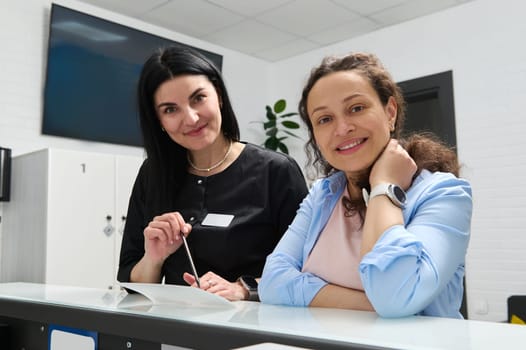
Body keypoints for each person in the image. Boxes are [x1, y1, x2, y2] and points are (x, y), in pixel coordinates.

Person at [258, 52, 472, 318]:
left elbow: (395, 297)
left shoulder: (444, 193)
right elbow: (273, 283)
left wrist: (385, 186)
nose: (342, 128)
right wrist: (373, 306)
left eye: (356, 108)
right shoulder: (323, 195)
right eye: (325, 119)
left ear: (390, 112)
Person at [117, 46, 308, 301]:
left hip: (254, 331)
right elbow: (131, 283)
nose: (191, 118)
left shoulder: (276, 171)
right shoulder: (153, 173)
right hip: (174, 329)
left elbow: (308, 270)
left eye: (198, 98)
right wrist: (154, 258)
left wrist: (244, 288)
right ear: (158, 120)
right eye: (170, 110)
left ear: (218, 94)